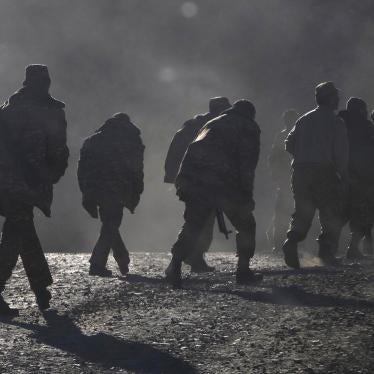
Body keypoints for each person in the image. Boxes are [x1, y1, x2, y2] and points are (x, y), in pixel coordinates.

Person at [165, 100, 262, 288]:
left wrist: (183, 183)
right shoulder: (248, 127)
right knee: (247, 225)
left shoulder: (213, 122)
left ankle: (174, 267)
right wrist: (247, 195)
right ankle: (243, 271)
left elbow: (190, 151)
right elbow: (247, 164)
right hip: (226, 184)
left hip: (196, 181)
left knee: (193, 225)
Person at [0, 64, 69, 316]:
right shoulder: (49, 111)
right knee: (15, 234)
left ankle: (41, 288)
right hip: (27, 183)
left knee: (23, 229)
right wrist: (51, 176)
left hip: (6, 182)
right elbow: (58, 151)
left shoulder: (7, 108)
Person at [282, 82, 349, 269]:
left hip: (301, 172)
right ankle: (326, 254)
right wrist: (343, 176)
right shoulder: (336, 122)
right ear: (330, 98)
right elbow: (340, 153)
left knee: (303, 213)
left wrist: (303, 156)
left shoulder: (304, 119)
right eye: (335, 97)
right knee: (330, 214)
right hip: (324, 173)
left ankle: (291, 242)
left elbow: (288, 143)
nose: (338, 100)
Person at [164, 97, 231, 273]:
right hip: (202, 182)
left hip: (190, 181)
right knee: (200, 221)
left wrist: (173, 176)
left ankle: (193, 258)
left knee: (199, 219)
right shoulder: (214, 127)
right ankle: (188, 259)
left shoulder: (192, 126)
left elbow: (175, 151)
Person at [78, 112, 144, 277]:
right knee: (111, 224)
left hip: (95, 190)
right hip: (117, 191)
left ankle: (122, 259)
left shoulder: (92, 141)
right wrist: (136, 191)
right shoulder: (130, 141)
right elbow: (136, 170)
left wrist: (85, 192)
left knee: (110, 224)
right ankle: (97, 263)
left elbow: (82, 170)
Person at [338, 98, 374, 259]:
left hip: (340, 175)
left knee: (341, 214)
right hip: (361, 177)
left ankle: (327, 248)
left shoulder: (339, 124)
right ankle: (353, 248)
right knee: (361, 213)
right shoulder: (365, 127)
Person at [268, 109, 299, 252]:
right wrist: (276, 174)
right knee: (283, 211)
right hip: (289, 178)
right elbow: (274, 158)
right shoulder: (283, 135)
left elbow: (273, 157)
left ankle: (282, 243)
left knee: (286, 211)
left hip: (293, 177)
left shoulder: (283, 135)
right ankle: (280, 243)